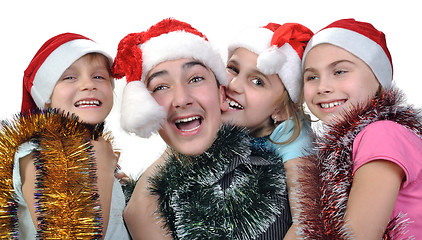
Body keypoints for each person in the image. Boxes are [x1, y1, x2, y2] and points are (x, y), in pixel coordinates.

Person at [113, 18, 290, 239]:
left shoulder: (269, 187)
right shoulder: (131, 192)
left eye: (195, 78)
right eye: (161, 87)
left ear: (220, 94)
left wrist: (143, 218)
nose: (181, 99)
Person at [297, 18, 422, 239]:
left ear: (378, 80)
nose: (323, 87)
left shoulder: (382, 133)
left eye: (339, 71)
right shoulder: (336, 152)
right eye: (312, 77)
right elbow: (304, 229)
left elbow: (358, 235)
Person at [0, 33, 130, 239]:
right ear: (47, 98)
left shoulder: (93, 150)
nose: (89, 85)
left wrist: (113, 185)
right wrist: (102, 171)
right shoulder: (39, 157)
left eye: (99, 76)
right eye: (69, 77)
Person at [222, 22, 313, 239]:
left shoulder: (293, 136)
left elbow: (307, 218)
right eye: (233, 69)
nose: (234, 84)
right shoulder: (213, 122)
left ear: (281, 110)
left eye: (257, 81)